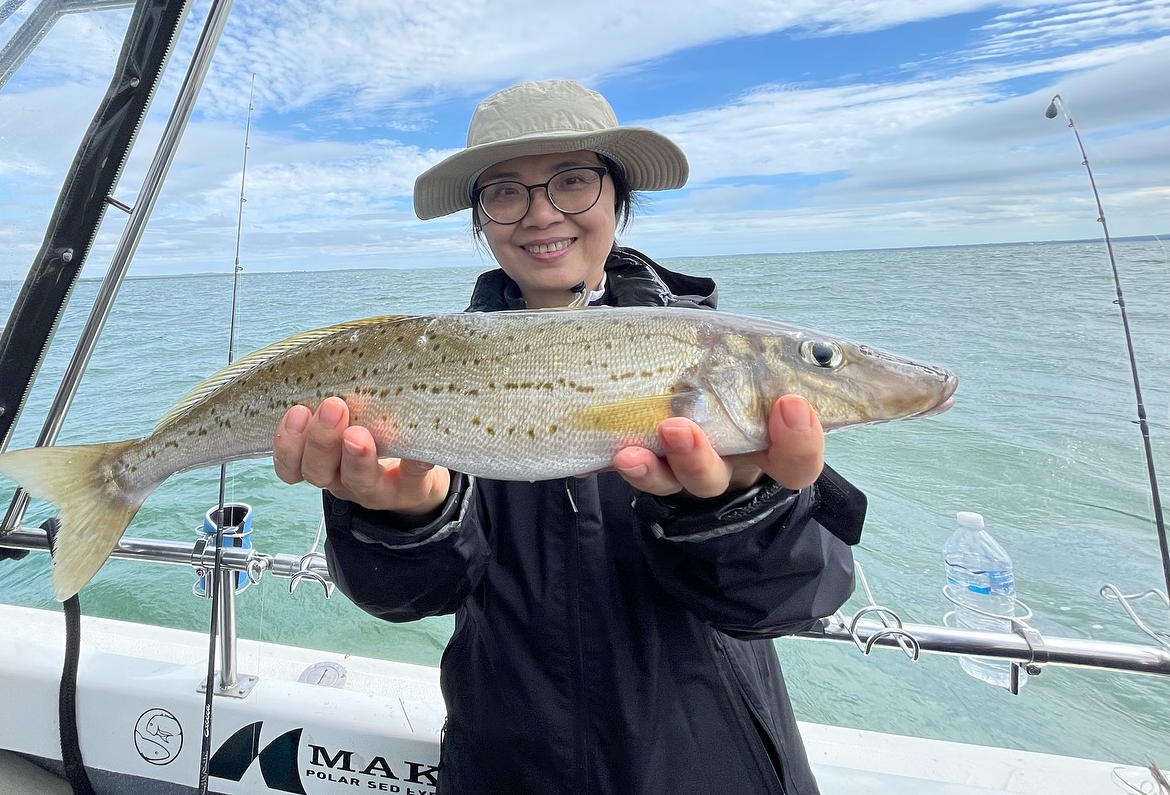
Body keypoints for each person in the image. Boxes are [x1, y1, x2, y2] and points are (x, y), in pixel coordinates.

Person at [272, 80, 866, 795]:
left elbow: (797, 599)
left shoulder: (722, 359)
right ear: (481, 219)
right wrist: (401, 515)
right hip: (504, 768)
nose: (541, 213)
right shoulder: (415, 373)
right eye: (505, 192)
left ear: (618, 197)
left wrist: (732, 510)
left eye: (574, 181)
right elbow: (406, 598)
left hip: (714, 767)